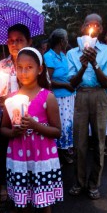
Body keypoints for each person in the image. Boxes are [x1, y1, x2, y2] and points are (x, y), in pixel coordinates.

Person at [1, 47, 63, 213]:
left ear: (39, 69)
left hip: (42, 159)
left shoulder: (48, 97)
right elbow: (3, 129)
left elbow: (57, 131)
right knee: (22, 202)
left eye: (29, 67)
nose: (24, 72)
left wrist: (36, 126)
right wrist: (14, 131)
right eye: (20, 68)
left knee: (44, 202)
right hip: (19, 158)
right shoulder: (11, 99)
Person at [67, 13, 107, 200]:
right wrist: (82, 66)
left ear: (101, 30)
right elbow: (72, 83)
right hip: (81, 95)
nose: (92, 28)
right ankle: (79, 182)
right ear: (83, 28)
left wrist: (94, 63)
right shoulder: (72, 53)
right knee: (79, 142)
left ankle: (94, 183)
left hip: (99, 95)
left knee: (98, 142)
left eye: (97, 25)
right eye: (89, 24)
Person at [0, 24, 32, 213]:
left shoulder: (34, 65)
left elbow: (43, 94)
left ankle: (35, 211)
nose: (14, 44)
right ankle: (15, 205)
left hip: (28, 125)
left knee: (30, 168)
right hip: (5, 125)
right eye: (11, 40)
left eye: (19, 40)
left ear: (29, 42)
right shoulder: (1, 66)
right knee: (11, 166)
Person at [44, 28, 75, 165]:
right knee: (59, 125)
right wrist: (65, 85)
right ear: (61, 41)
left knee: (68, 125)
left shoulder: (63, 55)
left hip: (69, 96)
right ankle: (57, 154)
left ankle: (64, 150)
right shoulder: (49, 56)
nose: (67, 41)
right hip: (58, 98)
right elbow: (48, 80)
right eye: (66, 39)